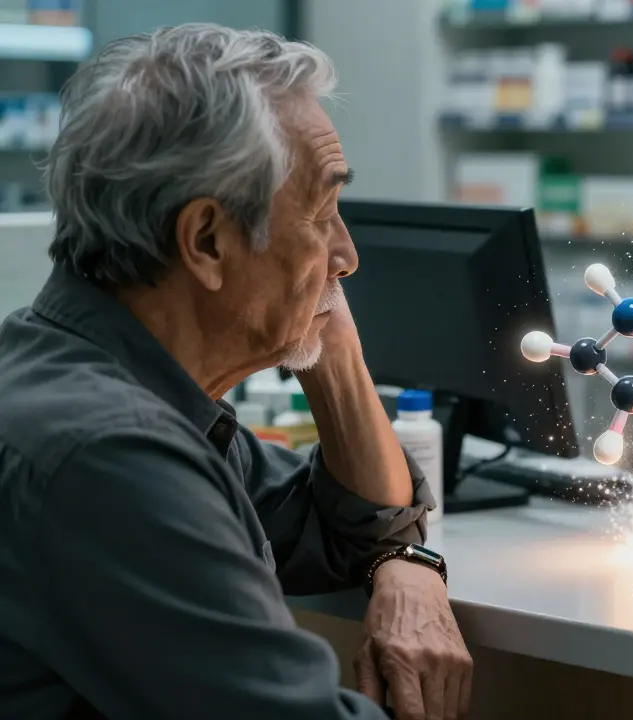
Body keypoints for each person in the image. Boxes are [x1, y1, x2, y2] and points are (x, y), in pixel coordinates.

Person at [0, 24, 470, 720]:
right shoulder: (112, 456)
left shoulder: (106, 382)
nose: (347, 255)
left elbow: (350, 527)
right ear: (207, 241)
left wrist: (331, 346)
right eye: (323, 214)